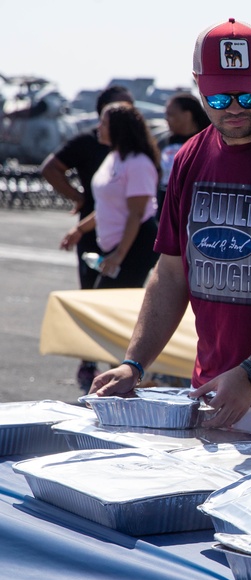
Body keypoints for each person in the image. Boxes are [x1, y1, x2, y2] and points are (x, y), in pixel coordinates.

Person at [89, 18, 251, 444]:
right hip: (213, 382)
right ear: (197, 86)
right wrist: (134, 365)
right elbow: (172, 272)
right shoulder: (192, 157)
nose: (234, 107)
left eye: (250, 94)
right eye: (217, 96)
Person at [41, 84, 135, 390]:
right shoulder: (87, 143)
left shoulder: (133, 152)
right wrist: (78, 199)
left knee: (119, 301)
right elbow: (50, 168)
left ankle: (118, 363)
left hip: (127, 237)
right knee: (90, 298)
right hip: (94, 234)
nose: (129, 115)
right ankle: (90, 360)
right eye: (120, 109)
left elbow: (138, 207)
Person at [58, 102, 160, 288]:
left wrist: (119, 255)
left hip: (135, 244)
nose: (98, 127)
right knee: (101, 298)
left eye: (103, 123)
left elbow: (136, 214)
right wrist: (80, 229)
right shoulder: (113, 157)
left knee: (106, 299)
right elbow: (108, 206)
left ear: (118, 128)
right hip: (118, 244)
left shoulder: (138, 163)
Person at [157, 92, 211, 214]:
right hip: (165, 209)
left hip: (196, 209)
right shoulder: (163, 143)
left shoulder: (207, 142)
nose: (166, 118)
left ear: (187, 115)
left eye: (170, 114)